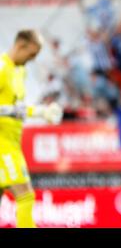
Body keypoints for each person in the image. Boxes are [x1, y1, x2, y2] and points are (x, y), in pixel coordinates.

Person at [0, 30, 63, 228]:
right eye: (31, 54)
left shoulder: (20, 71)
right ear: (21, 45)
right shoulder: (2, 68)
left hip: (13, 141)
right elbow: (10, 110)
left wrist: (41, 112)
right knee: (26, 196)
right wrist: (7, 110)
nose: (32, 59)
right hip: (2, 145)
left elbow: (18, 109)